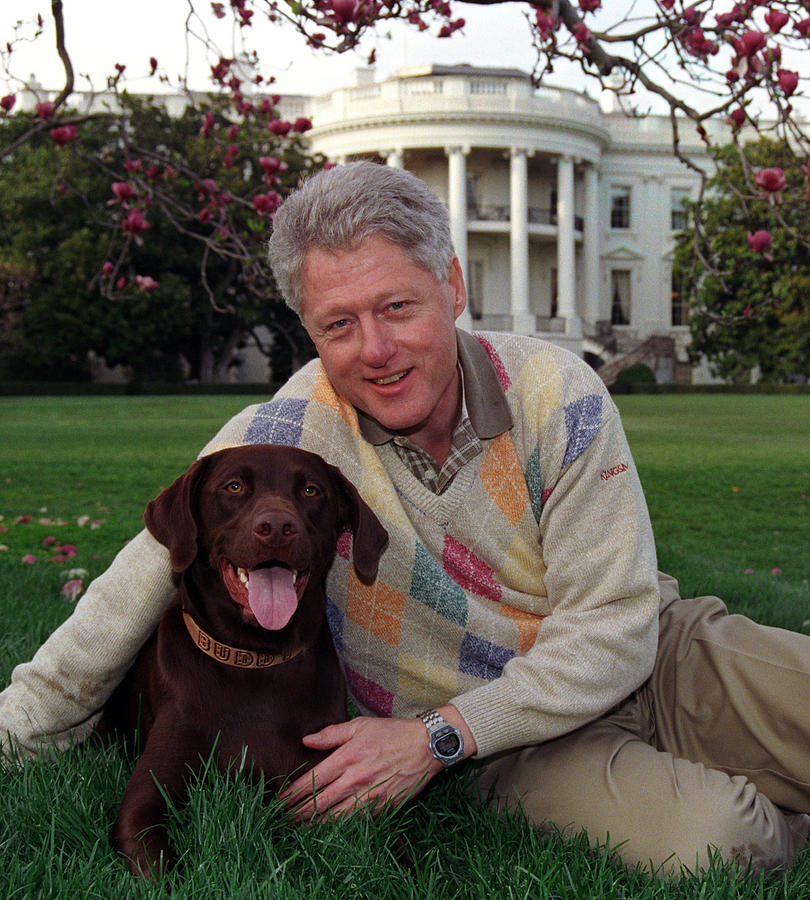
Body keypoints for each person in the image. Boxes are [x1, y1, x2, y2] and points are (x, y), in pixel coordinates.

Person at [1, 161, 808, 876]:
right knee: (725, 838)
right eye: (338, 325)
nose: (376, 348)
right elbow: (119, 604)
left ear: (452, 286)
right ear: (308, 331)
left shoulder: (556, 392)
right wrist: (20, 731)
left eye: (398, 305)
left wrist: (433, 738)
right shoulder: (286, 441)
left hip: (655, 655)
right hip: (505, 739)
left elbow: (615, 626)